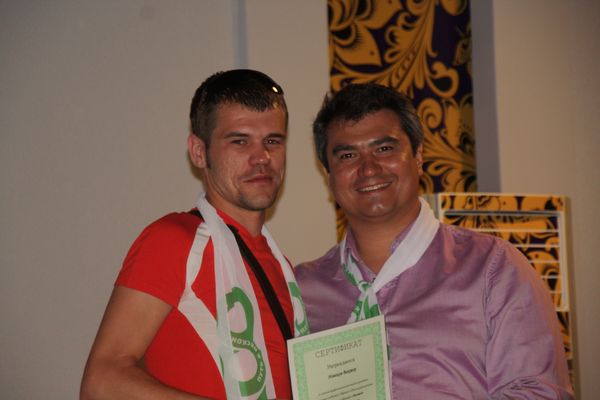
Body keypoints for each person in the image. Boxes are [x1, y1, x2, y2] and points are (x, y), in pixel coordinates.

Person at [294, 83, 573, 399]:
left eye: (384, 149)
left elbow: (538, 392)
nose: (368, 168)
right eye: (347, 155)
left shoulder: (493, 268)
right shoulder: (300, 290)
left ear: (418, 156)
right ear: (328, 175)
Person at [81, 69, 308, 400]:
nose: (262, 157)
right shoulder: (172, 241)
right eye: (240, 141)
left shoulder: (279, 263)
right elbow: (100, 382)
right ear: (199, 152)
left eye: (273, 141)